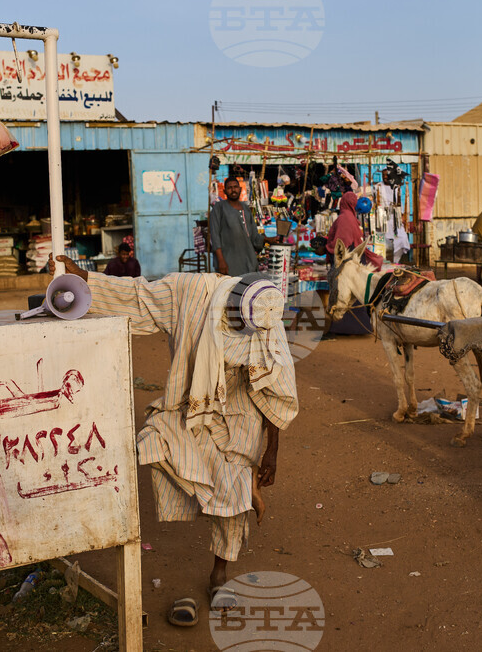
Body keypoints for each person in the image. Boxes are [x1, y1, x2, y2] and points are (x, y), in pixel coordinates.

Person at [48, 254, 298, 622]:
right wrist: (85, 278)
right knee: (154, 440)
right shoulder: (190, 291)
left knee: (232, 491)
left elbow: (275, 388)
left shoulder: (266, 316)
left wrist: (272, 451)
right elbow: (138, 296)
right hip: (190, 401)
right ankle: (233, 490)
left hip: (242, 407)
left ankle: (219, 574)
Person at [209, 177, 279, 276]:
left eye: (235, 187)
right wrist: (221, 261)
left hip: (248, 261)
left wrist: (267, 239)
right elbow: (215, 237)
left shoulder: (246, 209)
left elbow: (254, 236)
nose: (233, 190)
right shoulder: (219, 208)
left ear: (240, 189)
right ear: (224, 191)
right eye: (229, 188)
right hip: (228, 263)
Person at [324, 191, 384, 268]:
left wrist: (327, 246)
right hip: (353, 259)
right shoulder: (349, 217)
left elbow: (342, 242)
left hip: (348, 262)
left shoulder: (344, 217)